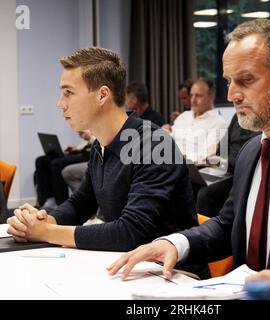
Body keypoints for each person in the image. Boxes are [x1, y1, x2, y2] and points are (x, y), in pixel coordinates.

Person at [108, 19, 270, 300]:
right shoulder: (251, 151)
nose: (232, 95)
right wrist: (175, 243)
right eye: (228, 82)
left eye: (246, 80)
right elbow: (228, 225)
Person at [7, 47, 209, 279]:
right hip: (132, 266)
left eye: (68, 93)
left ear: (103, 95)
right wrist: (40, 221)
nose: (60, 104)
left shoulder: (154, 144)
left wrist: (47, 232)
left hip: (174, 276)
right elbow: (81, 203)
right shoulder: (101, 144)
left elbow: (130, 232)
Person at [196, 113, 259, 217]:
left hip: (239, 171)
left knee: (205, 194)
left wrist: (221, 161)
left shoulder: (260, 123)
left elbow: (249, 159)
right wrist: (214, 149)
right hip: (224, 167)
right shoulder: (237, 116)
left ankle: (206, 230)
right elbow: (225, 140)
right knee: (194, 181)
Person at [163, 78, 227, 164]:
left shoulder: (218, 123)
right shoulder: (184, 116)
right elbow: (167, 139)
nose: (193, 100)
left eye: (198, 96)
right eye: (191, 95)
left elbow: (206, 157)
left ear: (211, 97)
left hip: (192, 170)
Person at [34, 130, 94, 208]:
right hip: (84, 151)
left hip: (91, 154)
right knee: (41, 160)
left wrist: (90, 137)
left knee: (57, 164)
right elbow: (87, 145)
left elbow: (99, 144)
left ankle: (61, 203)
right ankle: (50, 198)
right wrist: (77, 148)